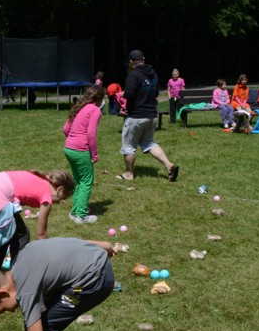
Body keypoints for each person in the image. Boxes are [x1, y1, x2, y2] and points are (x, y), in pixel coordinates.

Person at [0, 170, 75, 275]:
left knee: (15, 234)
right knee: (14, 237)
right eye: (61, 199)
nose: (59, 203)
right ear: (59, 189)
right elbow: (41, 234)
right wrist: (51, 257)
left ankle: (7, 273)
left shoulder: (40, 177)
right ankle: (5, 275)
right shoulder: (47, 197)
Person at [117, 50, 179, 182]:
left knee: (129, 146)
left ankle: (128, 174)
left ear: (130, 62)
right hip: (152, 115)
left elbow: (129, 94)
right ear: (143, 59)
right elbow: (155, 93)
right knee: (149, 143)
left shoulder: (134, 75)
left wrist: (122, 94)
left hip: (136, 116)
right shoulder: (153, 74)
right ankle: (169, 165)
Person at [63, 85, 105, 223]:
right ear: (98, 99)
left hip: (69, 148)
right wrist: (94, 154)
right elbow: (91, 133)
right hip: (81, 150)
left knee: (79, 181)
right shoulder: (95, 110)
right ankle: (81, 215)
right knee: (86, 182)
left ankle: (74, 211)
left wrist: (73, 139)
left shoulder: (79, 107)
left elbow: (66, 129)